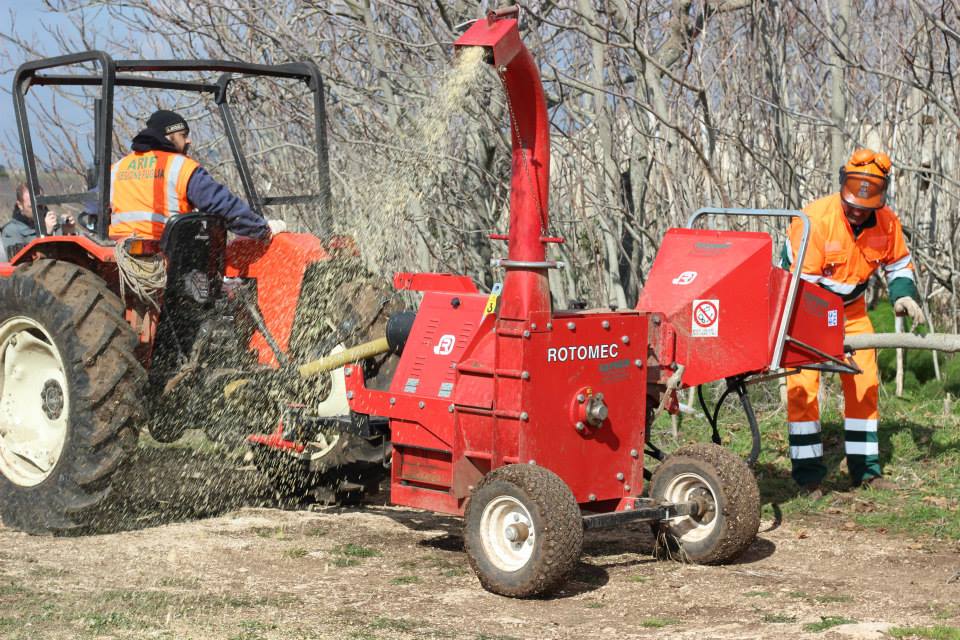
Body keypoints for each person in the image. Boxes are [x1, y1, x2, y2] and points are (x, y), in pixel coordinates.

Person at [782, 148, 924, 495]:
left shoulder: (888, 223)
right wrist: (826, 335)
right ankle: (808, 476)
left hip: (853, 312)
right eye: (853, 205)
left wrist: (903, 294)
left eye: (867, 207)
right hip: (807, 312)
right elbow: (801, 284)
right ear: (843, 188)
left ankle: (866, 471)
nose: (859, 212)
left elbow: (899, 264)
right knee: (803, 389)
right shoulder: (814, 220)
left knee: (865, 386)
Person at [110, 109, 284, 240]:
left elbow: (93, 210)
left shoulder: (117, 168)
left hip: (121, 253)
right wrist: (261, 229)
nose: (188, 141)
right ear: (168, 137)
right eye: (183, 135)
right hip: (167, 256)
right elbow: (223, 205)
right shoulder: (180, 167)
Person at [1, 183, 76, 257]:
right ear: (20, 205)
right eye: (32, 206)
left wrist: (68, 233)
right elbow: (19, 260)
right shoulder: (11, 230)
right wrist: (44, 234)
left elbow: (69, 257)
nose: (37, 210)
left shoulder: (54, 223)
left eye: (40, 205)